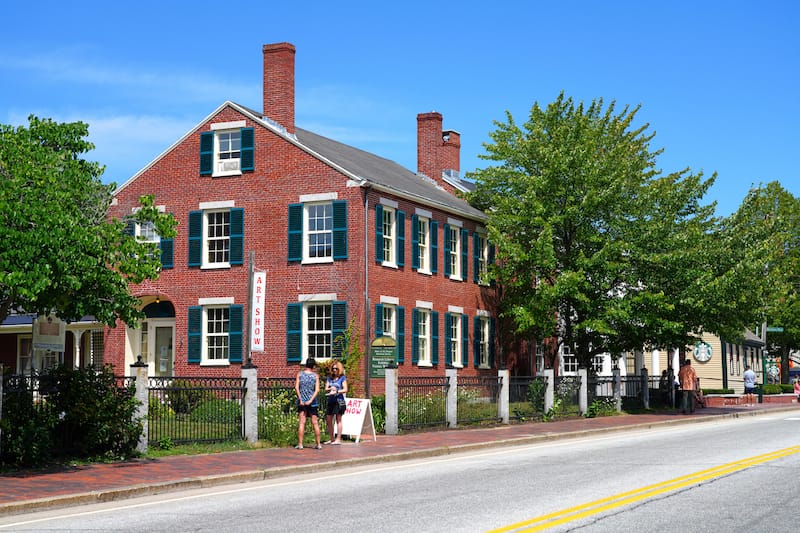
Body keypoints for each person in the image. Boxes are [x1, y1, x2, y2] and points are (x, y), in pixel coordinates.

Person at [294, 357, 322, 450]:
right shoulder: (315, 376)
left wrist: (301, 399)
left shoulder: (300, 374)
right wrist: (311, 400)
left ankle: (300, 444)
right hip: (312, 402)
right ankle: (318, 444)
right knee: (315, 423)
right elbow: (317, 390)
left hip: (302, 401)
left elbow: (296, 388)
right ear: (313, 366)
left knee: (302, 423)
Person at [324, 360, 348, 445]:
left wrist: (337, 390)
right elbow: (326, 388)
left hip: (339, 400)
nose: (334, 370)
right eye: (333, 368)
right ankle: (332, 438)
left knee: (338, 419)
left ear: (339, 369)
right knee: (329, 419)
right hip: (331, 400)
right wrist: (331, 388)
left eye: (336, 369)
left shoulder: (342, 378)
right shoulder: (330, 378)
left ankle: (338, 439)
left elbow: (345, 389)